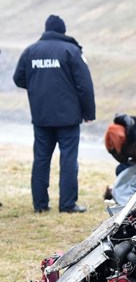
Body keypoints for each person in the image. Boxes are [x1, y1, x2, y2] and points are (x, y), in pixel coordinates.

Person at [13, 14, 95, 213]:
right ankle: (67, 205)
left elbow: (18, 79)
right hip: (68, 118)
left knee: (41, 159)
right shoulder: (71, 51)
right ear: (63, 31)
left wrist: (37, 86)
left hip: (41, 116)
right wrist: (88, 112)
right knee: (68, 160)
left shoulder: (30, 51)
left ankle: (40, 205)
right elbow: (84, 85)